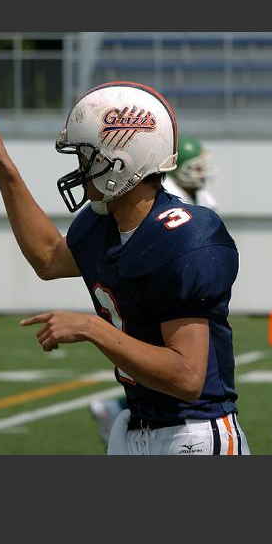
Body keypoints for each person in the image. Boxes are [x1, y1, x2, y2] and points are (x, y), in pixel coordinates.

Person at [0, 84, 250, 455]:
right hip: (136, 427)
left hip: (193, 433)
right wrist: (3, 167)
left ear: (122, 161)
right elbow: (48, 257)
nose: (80, 168)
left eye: (87, 157)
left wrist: (92, 328)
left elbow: (188, 378)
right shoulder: (101, 223)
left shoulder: (185, 235)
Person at [89, 135, 219, 444]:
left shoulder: (201, 198)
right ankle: (117, 407)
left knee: (186, 365)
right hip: (161, 290)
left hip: (187, 285)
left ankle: (118, 408)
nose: (201, 173)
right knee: (174, 365)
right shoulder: (165, 200)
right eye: (194, 166)